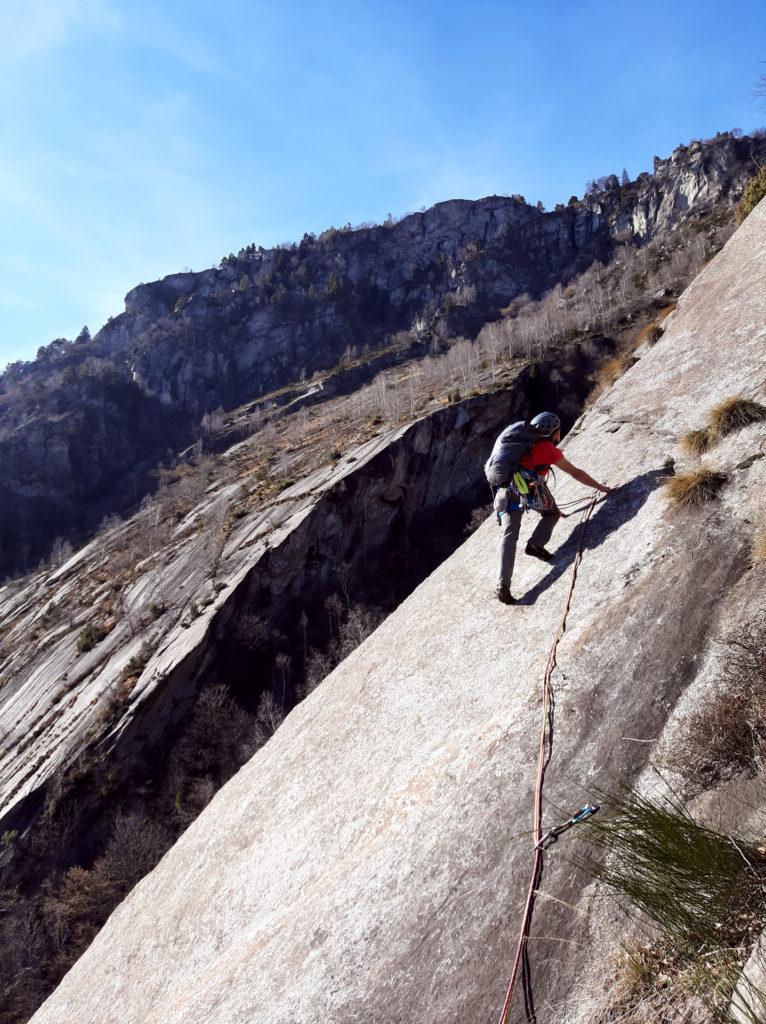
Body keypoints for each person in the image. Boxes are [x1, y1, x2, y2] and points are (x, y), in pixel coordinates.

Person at [488, 411, 612, 605]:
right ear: (553, 432)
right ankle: (535, 544)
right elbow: (575, 473)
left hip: (506, 490)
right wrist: (602, 488)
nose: (559, 436)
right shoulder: (547, 449)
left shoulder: (519, 444)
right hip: (529, 490)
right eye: (558, 432)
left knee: (509, 535)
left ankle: (502, 585)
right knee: (551, 513)